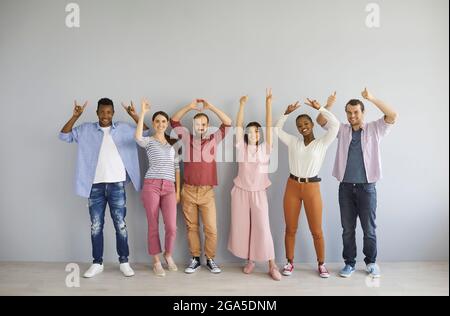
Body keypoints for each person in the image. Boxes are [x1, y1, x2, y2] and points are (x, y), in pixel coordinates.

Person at [59, 98, 149, 278]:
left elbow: (146, 134)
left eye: (109, 112)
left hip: (117, 185)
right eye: (102, 112)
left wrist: (134, 115)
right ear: (97, 112)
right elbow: (64, 135)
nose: (105, 115)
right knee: (96, 226)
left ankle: (124, 261)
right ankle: (97, 263)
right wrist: (75, 116)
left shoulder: (123, 128)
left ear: (113, 113)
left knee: (121, 225)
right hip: (95, 187)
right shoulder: (85, 130)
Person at [316, 88, 398, 278]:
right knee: (347, 229)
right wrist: (328, 104)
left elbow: (392, 115)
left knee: (369, 229)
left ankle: (371, 263)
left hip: (367, 188)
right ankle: (350, 263)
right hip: (345, 187)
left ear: (362, 112)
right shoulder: (342, 129)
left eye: (356, 112)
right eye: (349, 112)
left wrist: (371, 98)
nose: (352, 115)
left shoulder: (375, 128)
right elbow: (320, 121)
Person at [275, 93, 339, 278]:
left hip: (312, 188)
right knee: (290, 228)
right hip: (292, 186)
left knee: (316, 230)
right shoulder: (293, 142)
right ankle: (289, 263)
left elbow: (334, 125)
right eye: (299, 125)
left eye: (306, 124)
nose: (303, 127)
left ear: (312, 125)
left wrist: (321, 108)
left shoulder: (322, 143)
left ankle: (321, 264)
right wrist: (286, 113)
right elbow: (277, 130)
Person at [171, 99, 232, 274]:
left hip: (207, 192)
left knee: (211, 228)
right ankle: (195, 259)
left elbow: (228, 123)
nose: (200, 126)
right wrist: (189, 107)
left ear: (207, 126)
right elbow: (173, 120)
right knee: (192, 228)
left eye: (204, 124)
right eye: (197, 124)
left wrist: (211, 107)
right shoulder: (186, 137)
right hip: (188, 191)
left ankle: (210, 259)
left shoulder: (213, 139)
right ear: (193, 125)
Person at [228, 89, 281, 281]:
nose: (252, 134)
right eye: (249, 132)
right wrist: (241, 105)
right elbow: (238, 125)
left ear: (260, 135)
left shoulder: (266, 148)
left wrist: (268, 104)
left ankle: (271, 264)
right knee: (243, 227)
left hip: (259, 192)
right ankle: (250, 260)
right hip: (240, 191)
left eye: (256, 132)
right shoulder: (241, 147)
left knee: (262, 227)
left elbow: (268, 126)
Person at [135, 99, 181, 277]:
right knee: (152, 224)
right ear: (153, 124)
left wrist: (177, 190)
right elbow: (137, 137)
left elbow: (177, 168)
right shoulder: (148, 141)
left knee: (171, 226)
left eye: (163, 121)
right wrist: (143, 113)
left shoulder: (172, 145)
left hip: (169, 187)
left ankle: (168, 254)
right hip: (152, 185)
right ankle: (156, 261)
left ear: (167, 123)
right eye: (157, 121)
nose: (160, 124)